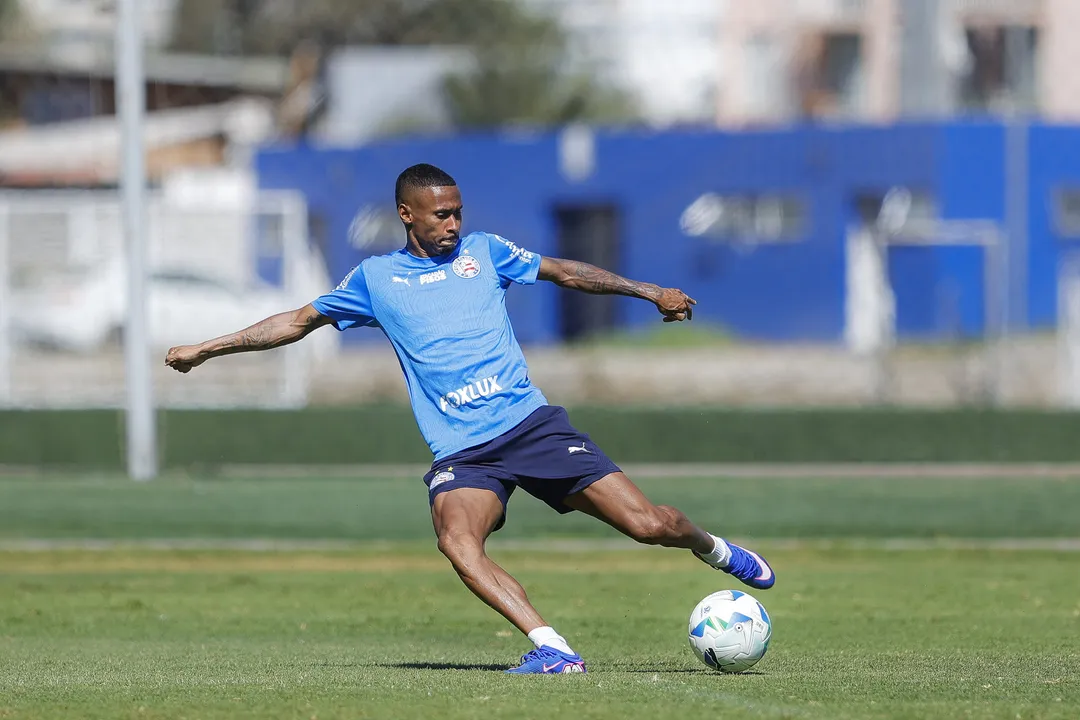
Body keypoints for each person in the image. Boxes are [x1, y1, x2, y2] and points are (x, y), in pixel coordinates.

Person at [165, 163, 775, 675]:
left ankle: (713, 549)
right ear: (407, 215)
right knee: (457, 541)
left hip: (532, 428)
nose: (455, 223)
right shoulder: (375, 279)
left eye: (458, 211)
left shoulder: (485, 253)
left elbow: (565, 271)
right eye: (441, 215)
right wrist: (206, 348)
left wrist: (649, 291)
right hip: (463, 451)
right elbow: (296, 321)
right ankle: (553, 649)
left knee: (649, 525)